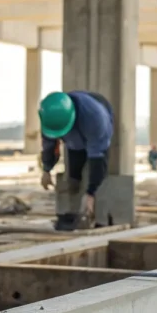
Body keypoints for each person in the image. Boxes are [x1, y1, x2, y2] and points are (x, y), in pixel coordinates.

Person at [38, 90, 114, 231]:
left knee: (99, 174)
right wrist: (46, 170)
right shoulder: (50, 118)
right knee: (73, 177)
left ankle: (94, 214)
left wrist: (90, 193)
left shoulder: (96, 118)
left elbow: (97, 158)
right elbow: (49, 146)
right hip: (74, 140)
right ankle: (71, 213)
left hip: (94, 125)